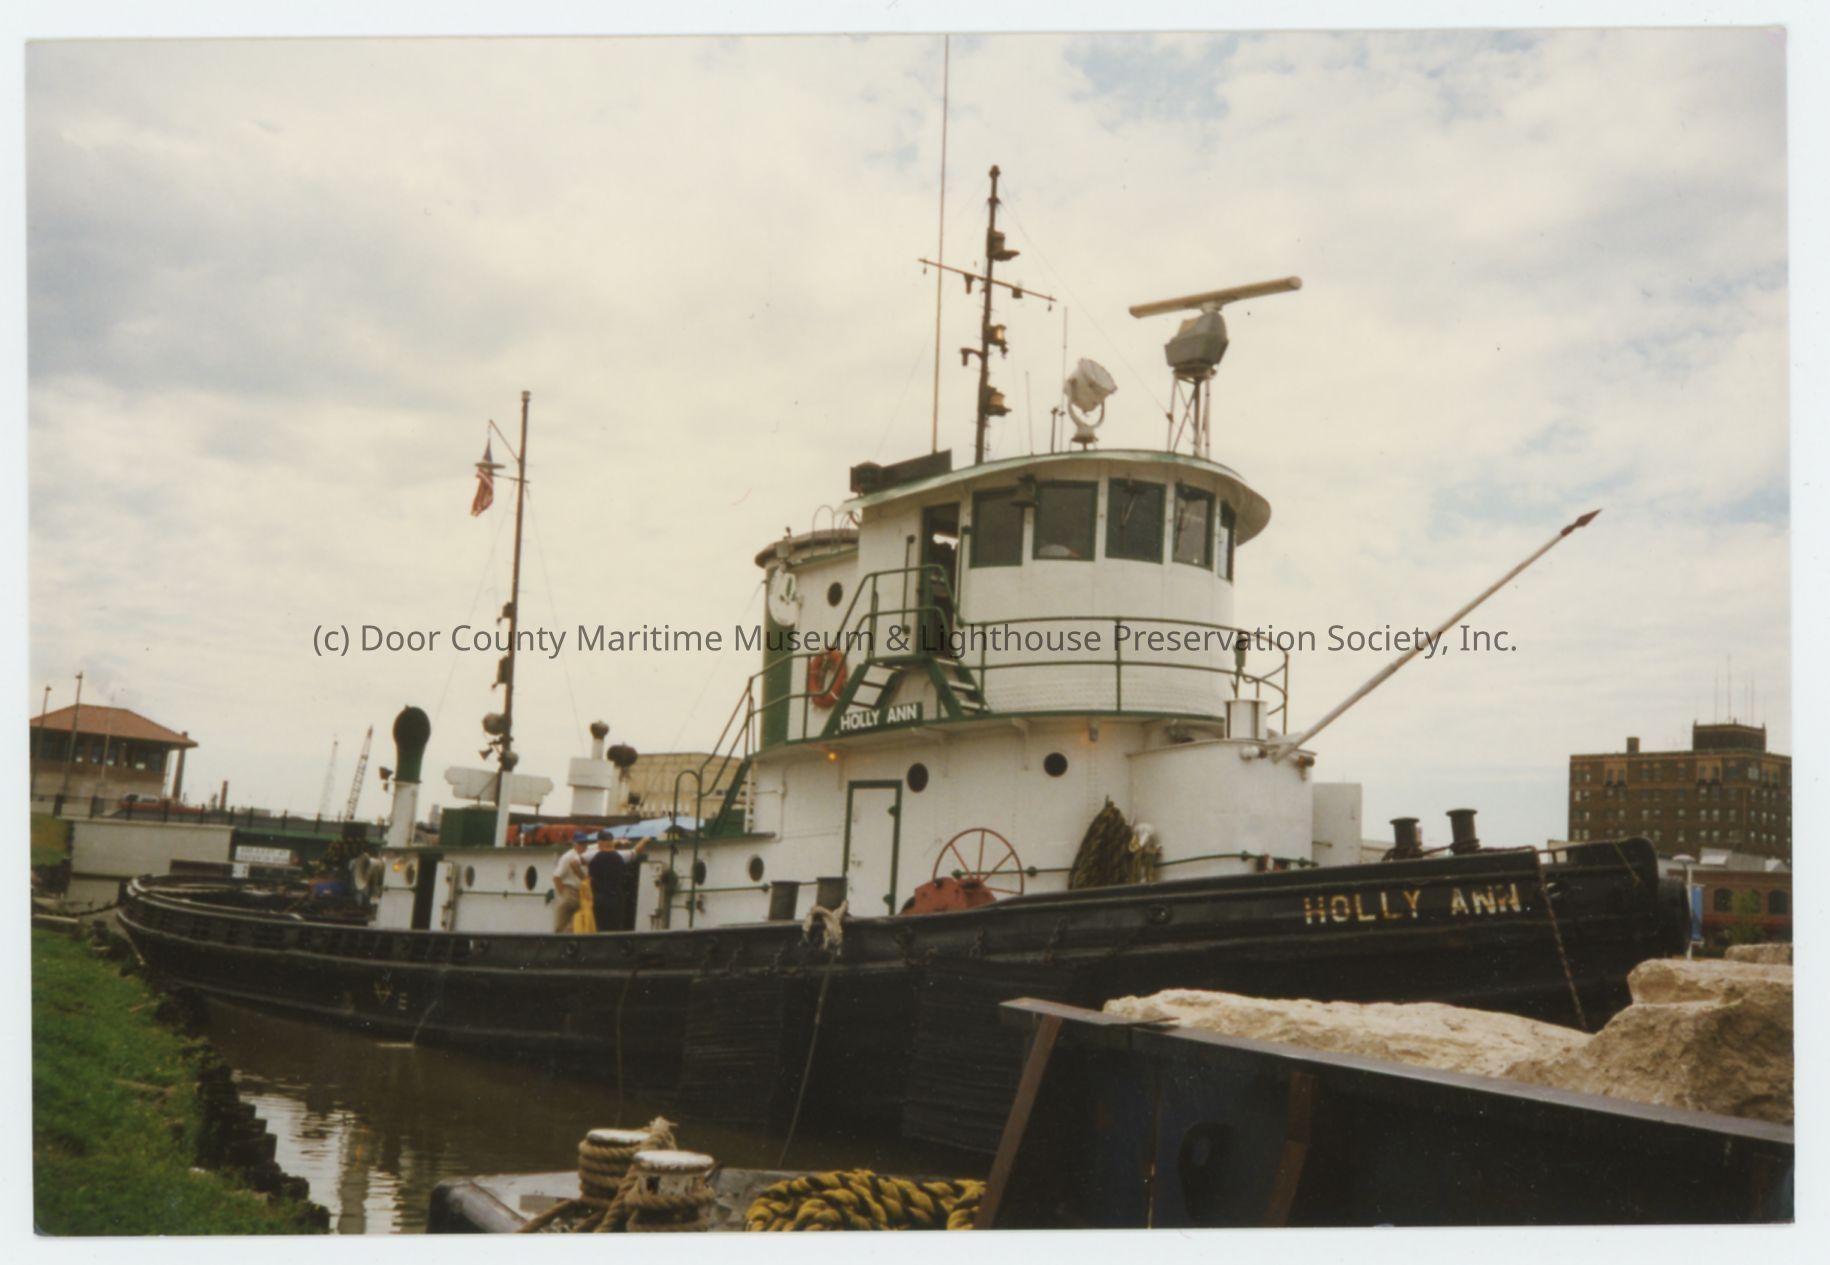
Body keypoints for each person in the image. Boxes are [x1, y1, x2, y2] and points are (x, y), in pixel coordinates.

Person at [589, 834, 650, 933]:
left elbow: (575, 861)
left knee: (600, 927)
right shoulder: (620, 856)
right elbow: (635, 852)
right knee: (615, 927)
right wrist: (644, 840)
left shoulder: (592, 855)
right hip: (616, 898)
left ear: (599, 842)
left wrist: (582, 877)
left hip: (599, 897)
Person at [552, 835, 588, 932]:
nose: (583, 846)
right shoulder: (568, 857)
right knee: (561, 924)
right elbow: (556, 876)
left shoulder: (585, 856)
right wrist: (562, 893)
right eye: (581, 844)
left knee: (576, 926)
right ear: (574, 844)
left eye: (585, 844)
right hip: (570, 891)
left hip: (582, 893)